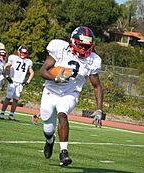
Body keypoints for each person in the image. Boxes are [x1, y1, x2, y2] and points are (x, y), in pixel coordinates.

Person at [39, 26, 103, 166]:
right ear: (73, 42)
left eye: (87, 46)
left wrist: (99, 109)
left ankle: (64, 152)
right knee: (47, 128)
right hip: (50, 92)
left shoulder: (93, 60)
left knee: (63, 114)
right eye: (81, 45)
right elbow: (42, 71)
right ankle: (50, 140)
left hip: (70, 93)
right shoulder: (60, 49)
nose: (84, 49)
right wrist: (54, 78)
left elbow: (97, 85)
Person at [0, 45, 34, 120]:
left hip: (20, 83)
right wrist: (6, 76)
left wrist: (28, 81)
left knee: (16, 99)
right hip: (12, 81)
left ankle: (11, 115)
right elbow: (5, 66)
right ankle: (2, 113)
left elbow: (32, 72)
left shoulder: (28, 61)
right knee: (8, 98)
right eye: (22, 52)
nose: (23, 54)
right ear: (18, 52)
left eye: (25, 53)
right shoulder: (13, 58)